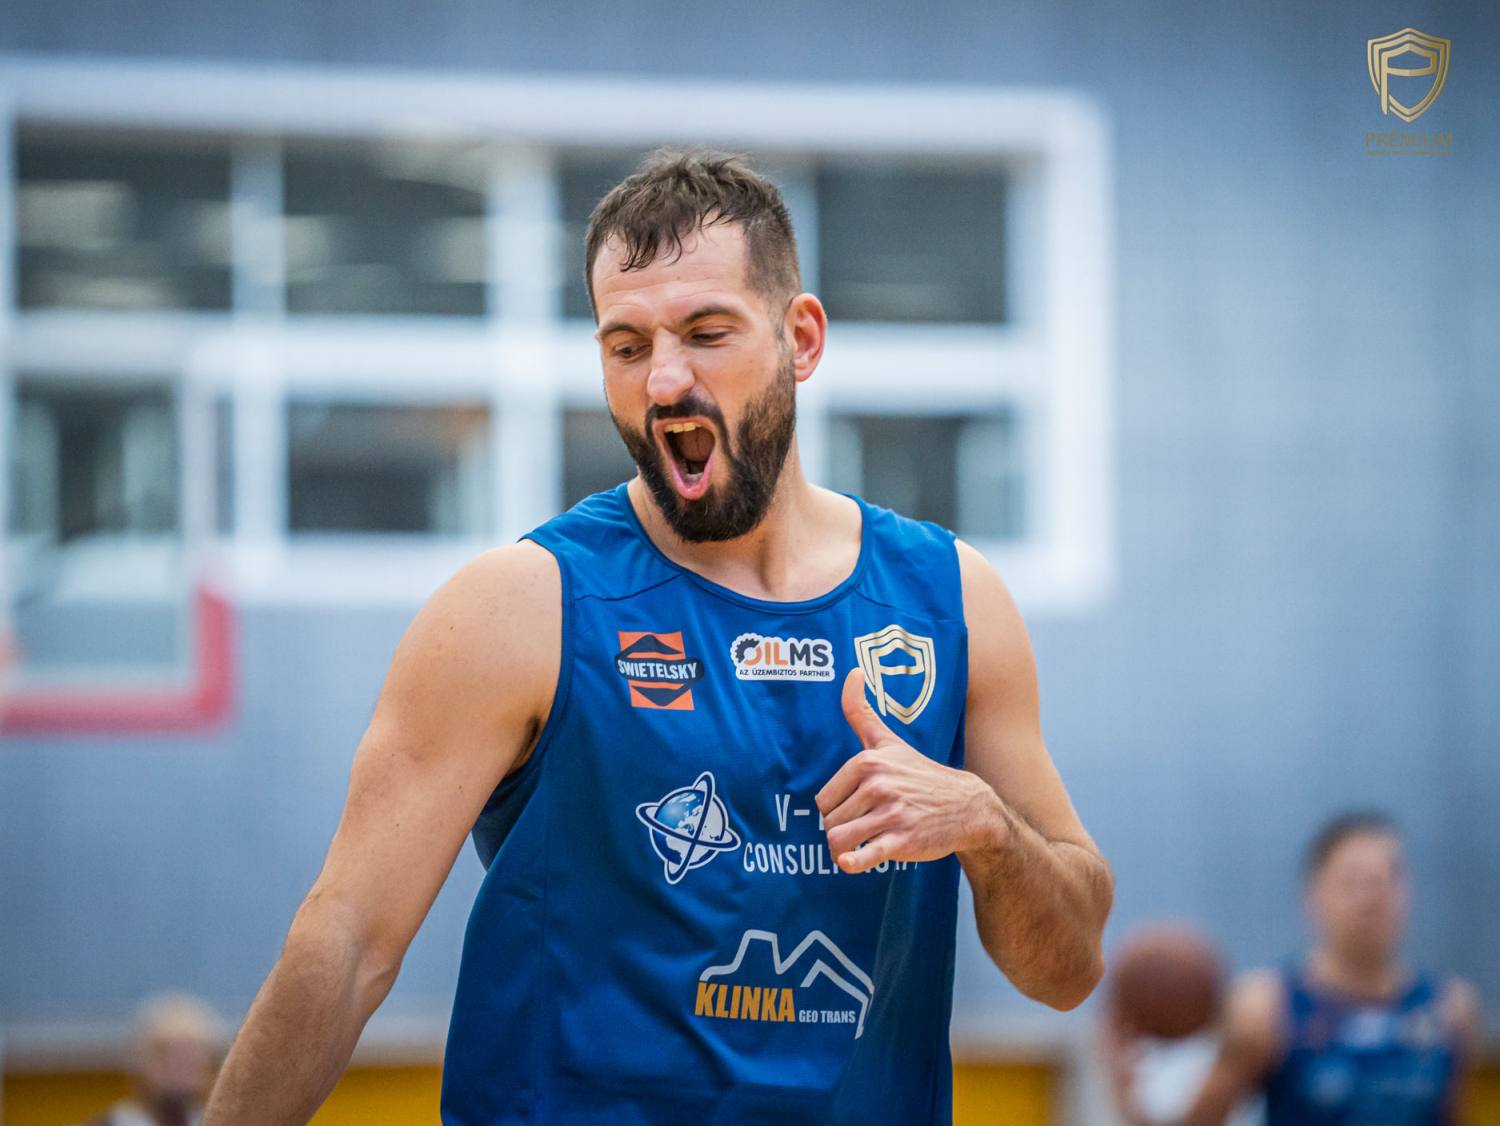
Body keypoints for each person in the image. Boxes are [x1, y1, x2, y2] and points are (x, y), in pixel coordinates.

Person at [204, 148, 1113, 1125]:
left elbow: (1067, 971)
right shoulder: (520, 607)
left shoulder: (950, 600)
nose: (666, 379)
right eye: (627, 345)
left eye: (707, 333)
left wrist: (986, 825)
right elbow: (346, 946)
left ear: (801, 339)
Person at [1104, 811, 1482, 1125]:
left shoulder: (1451, 1009)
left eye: (1386, 880)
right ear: (1313, 896)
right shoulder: (1266, 1008)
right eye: (1353, 882)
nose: (1372, 897)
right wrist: (1128, 1099)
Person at [86, 994, 225, 1126]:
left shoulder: (222, 1122)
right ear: (138, 1061)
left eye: (190, 1060)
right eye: (166, 1055)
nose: (179, 1071)